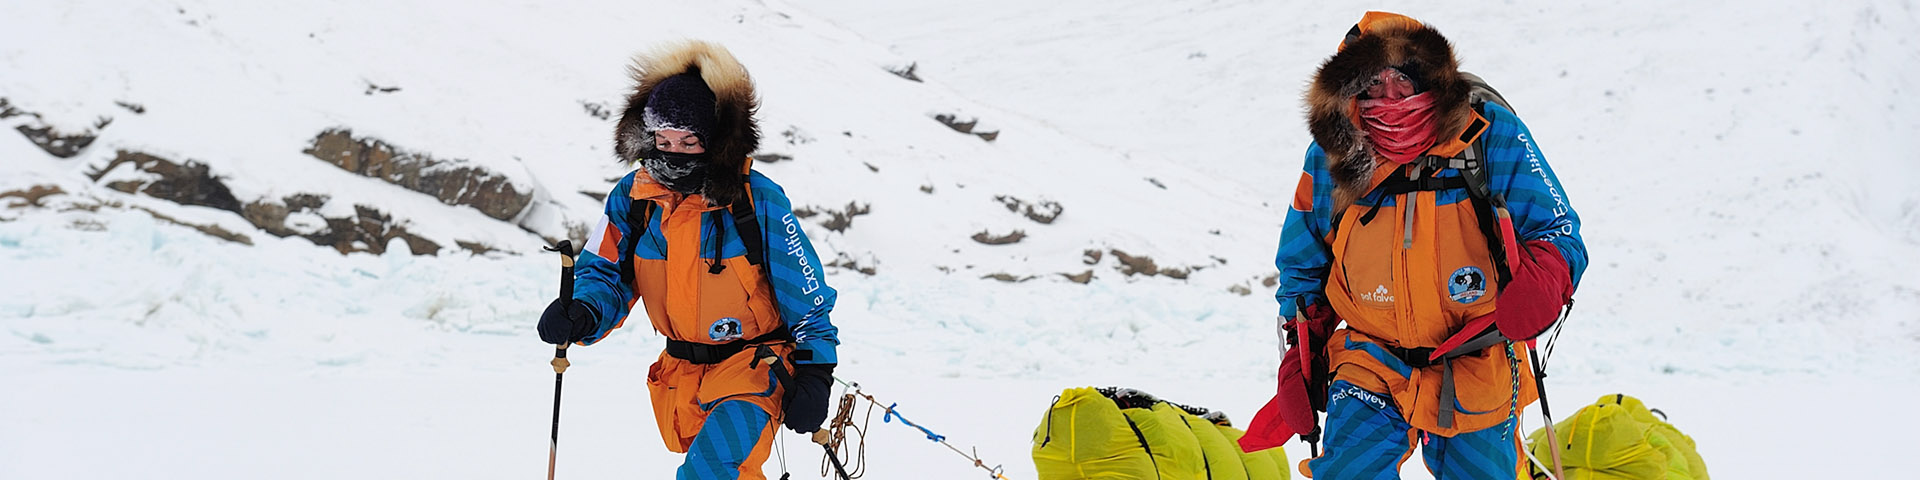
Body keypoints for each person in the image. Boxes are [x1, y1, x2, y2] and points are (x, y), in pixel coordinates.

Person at [1250, 12, 1588, 479]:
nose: (1390, 98)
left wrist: (1545, 278)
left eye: (1403, 81)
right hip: (1371, 354)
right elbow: (1303, 258)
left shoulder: (1488, 134)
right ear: (1350, 94)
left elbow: (1556, 228)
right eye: (1372, 84)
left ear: (1431, 80)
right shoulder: (1334, 153)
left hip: (1478, 352)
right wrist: (1302, 345)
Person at [537, 40, 840, 480]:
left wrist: (817, 373)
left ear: (715, 141)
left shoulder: (756, 199)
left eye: (688, 140)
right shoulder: (634, 197)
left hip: (755, 366)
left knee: (711, 471)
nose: (673, 151)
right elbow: (604, 270)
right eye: (662, 139)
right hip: (681, 374)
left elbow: (806, 294)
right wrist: (583, 311)